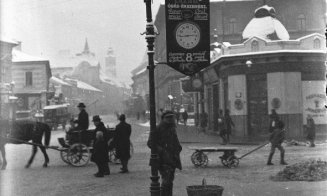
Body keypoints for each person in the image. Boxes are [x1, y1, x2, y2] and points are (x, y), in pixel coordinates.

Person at [147, 110, 182, 196]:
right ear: (163, 119)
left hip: (172, 158)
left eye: (171, 117)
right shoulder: (158, 128)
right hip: (162, 159)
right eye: (168, 117)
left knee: (170, 180)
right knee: (166, 181)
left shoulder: (172, 128)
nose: (170, 119)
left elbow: (175, 141)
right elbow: (150, 143)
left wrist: (178, 148)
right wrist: (162, 150)